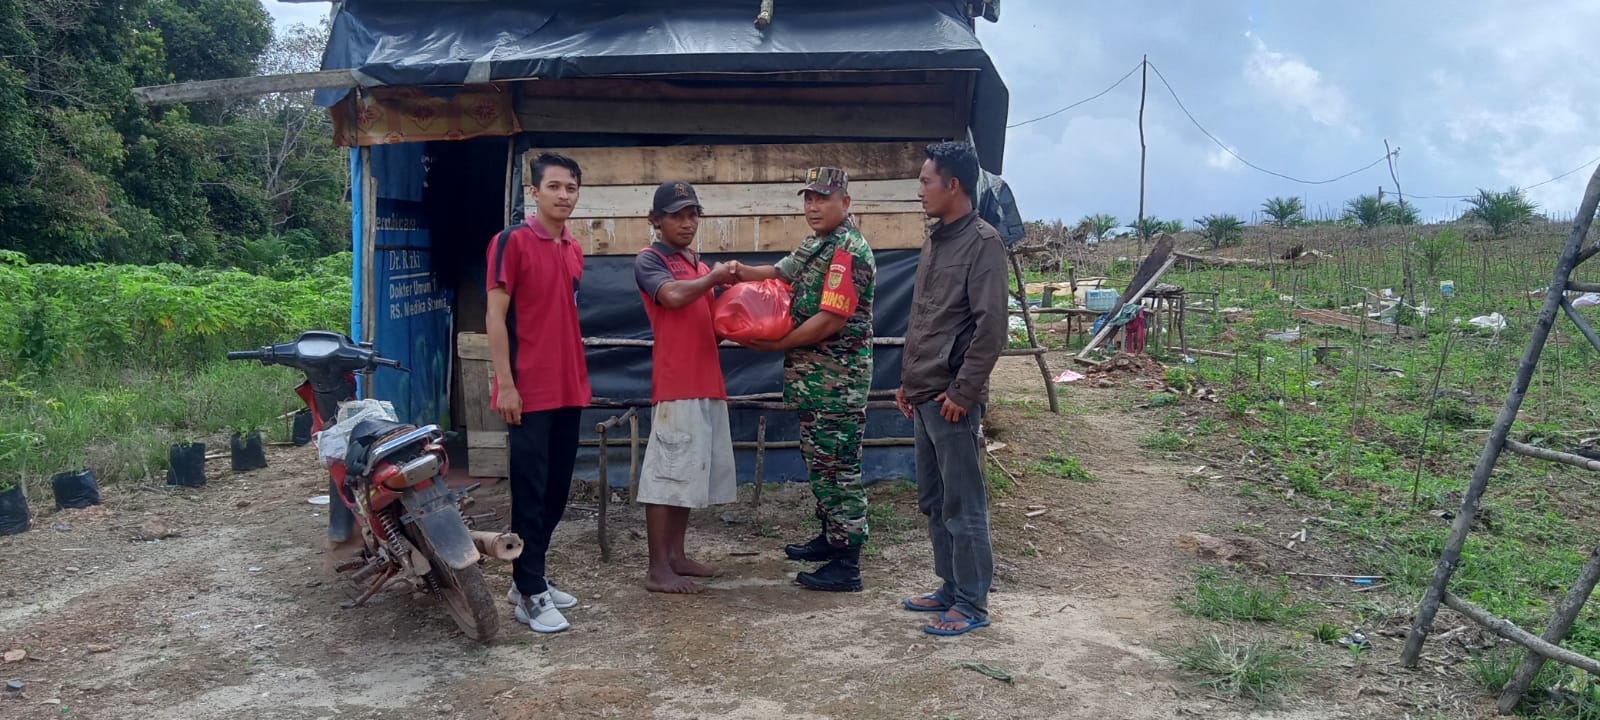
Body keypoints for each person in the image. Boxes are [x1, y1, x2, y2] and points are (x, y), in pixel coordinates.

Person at [729, 167, 875, 593]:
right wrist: (738, 271)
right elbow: (780, 273)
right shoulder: (817, 243)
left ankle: (847, 564)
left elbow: (830, 319)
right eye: (808, 198)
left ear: (844, 203)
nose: (813, 206)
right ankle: (831, 538)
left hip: (838, 380)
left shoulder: (848, 252)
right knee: (818, 458)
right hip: (814, 379)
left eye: (823, 198)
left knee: (838, 466)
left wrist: (777, 344)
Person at [896, 141, 1007, 636]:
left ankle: (972, 603)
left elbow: (991, 329)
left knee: (964, 505)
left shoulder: (983, 243)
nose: (919, 190)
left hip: (951, 401)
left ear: (953, 185)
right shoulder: (937, 240)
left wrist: (963, 393)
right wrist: (906, 379)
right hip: (924, 393)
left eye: (925, 181)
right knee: (935, 500)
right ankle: (949, 586)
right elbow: (925, 319)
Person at [486, 152, 591, 633]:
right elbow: (494, 317)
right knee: (529, 493)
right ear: (534, 192)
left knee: (556, 491)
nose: (563, 195)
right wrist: (506, 384)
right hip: (528, 390)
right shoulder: (511, 242)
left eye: (570, 187)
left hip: (570, 385)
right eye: (554, 186)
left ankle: (529, 576)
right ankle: (529, 594)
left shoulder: (573, 248)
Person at [633, 180, 739, 594]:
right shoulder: (650, 260)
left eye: (692, 214)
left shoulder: (696, 264)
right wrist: (712, 278)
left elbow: (712, 329)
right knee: (666, 478)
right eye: (677, 214)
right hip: (676, 383)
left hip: (707, 379)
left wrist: (738, 312)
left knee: (687, 476)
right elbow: (673, 297)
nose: (687, 222)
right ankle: (657, 569)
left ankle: (675, 556)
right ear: (655, 220)